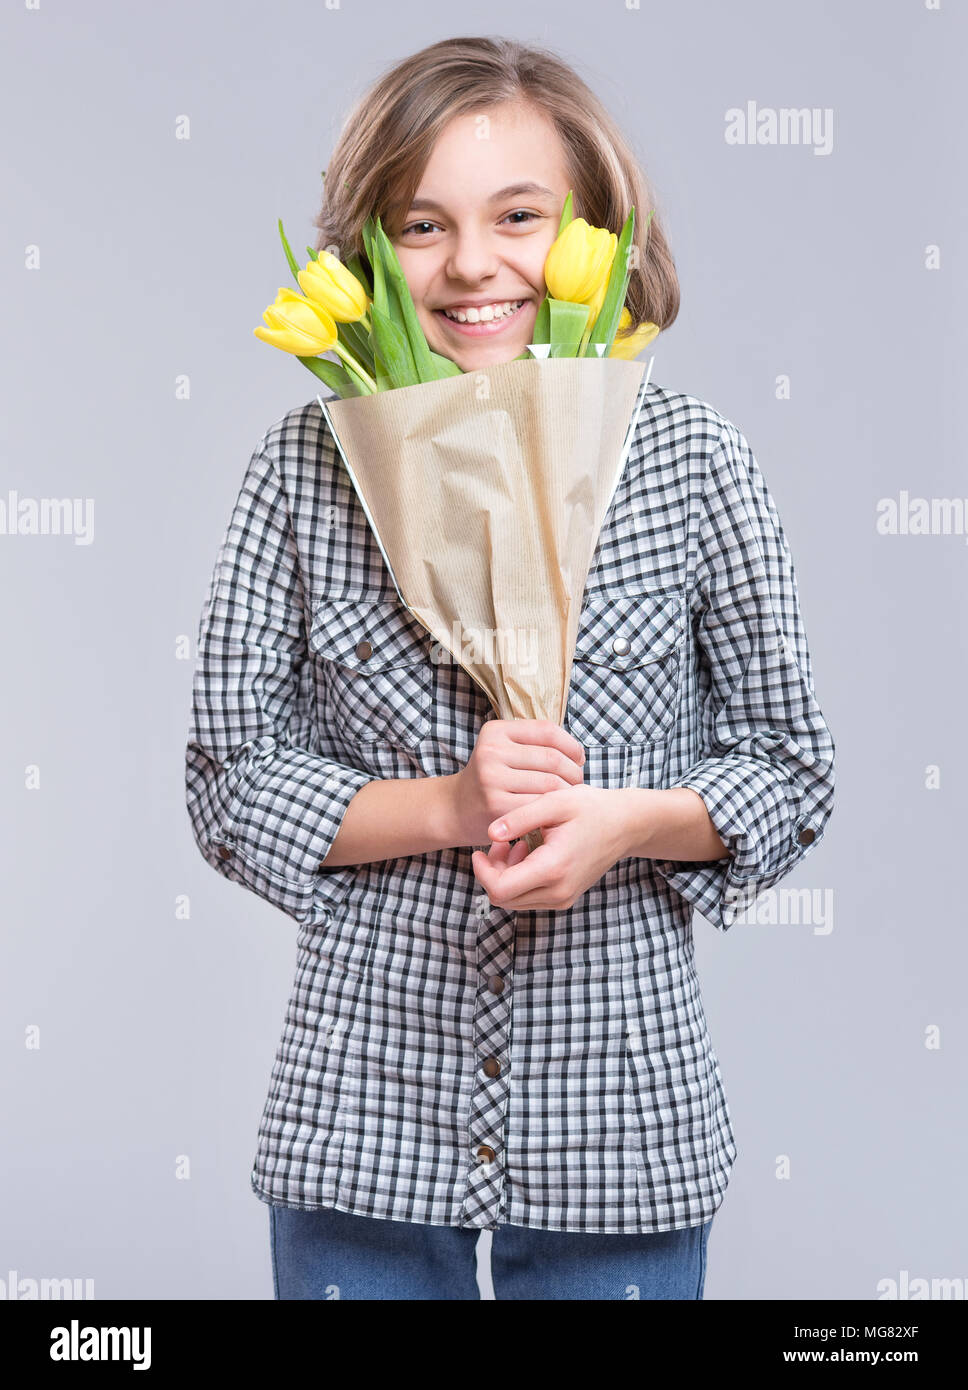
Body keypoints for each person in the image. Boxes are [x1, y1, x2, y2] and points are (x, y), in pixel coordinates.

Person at [185, 35, 835, 1300]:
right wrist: (448, 808)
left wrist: (625, 823)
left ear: (599, 231)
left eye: (519, 216)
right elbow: (229, 780)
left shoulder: (697, 464)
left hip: (620, 1127)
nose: (472, 262)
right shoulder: (300, 471)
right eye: (420, 223)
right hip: (363, 1119)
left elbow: (789, 772)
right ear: (365, 254)